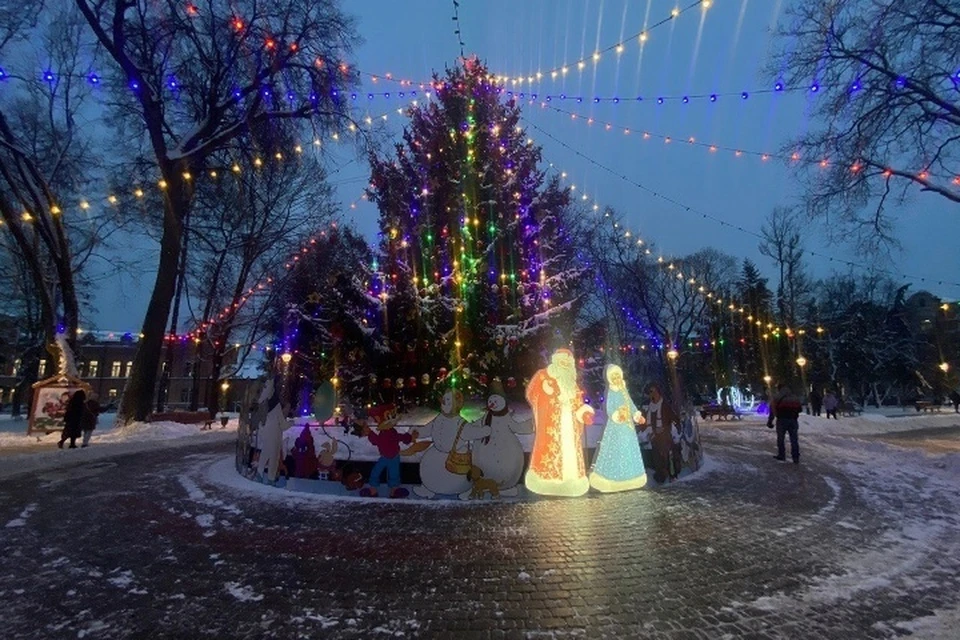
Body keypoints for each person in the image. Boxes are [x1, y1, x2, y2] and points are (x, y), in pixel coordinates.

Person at [524, 349, 595, 497]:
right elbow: (531, 393)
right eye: (562, 360)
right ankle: (547, 479)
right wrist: (544, 393)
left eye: (568, 361)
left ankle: (571, 479)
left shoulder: (571, 383)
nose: (565, 363)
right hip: (551, 424)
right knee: (550, 450)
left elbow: (578, 403)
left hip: (569, 424)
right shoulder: (543, 375)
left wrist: (585, 413)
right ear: (555, 360)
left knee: (569, 451)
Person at [589, 365, 647, 492]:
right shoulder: (612, 392)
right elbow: (610, 408)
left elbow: (630, 405)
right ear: (610, 379)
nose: (616, 378)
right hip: (616, 427)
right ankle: (613, 477)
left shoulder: (623, 391)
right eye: (613, 376)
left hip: (628, 427)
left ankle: (631, 476)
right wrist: (617, 414)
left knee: (628, 450)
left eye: (617, 376)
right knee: (616, 450)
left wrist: (637, 415)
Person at [641, 383, 682, 483]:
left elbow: (674, 418)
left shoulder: (665, 406)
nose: (652, 394)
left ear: (659, 393)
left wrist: (667, 428)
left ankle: (671, 474)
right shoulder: (649, 408)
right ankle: (660, 475)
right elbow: (645, 422)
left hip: (665, 436)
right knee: (657, 457)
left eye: (654, 391)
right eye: (650, 392)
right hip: (654, 437)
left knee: (666, 455)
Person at [768, 383, 803, 464]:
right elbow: (800, 409)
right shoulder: (795, 397)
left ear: (779, 389)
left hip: (781, 420)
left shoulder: (777, 397)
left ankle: (782, 455)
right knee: (794, 439)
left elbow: (772, 409)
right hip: (793, 420)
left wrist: (770, 421)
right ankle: (795, 457)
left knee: (780, 438)